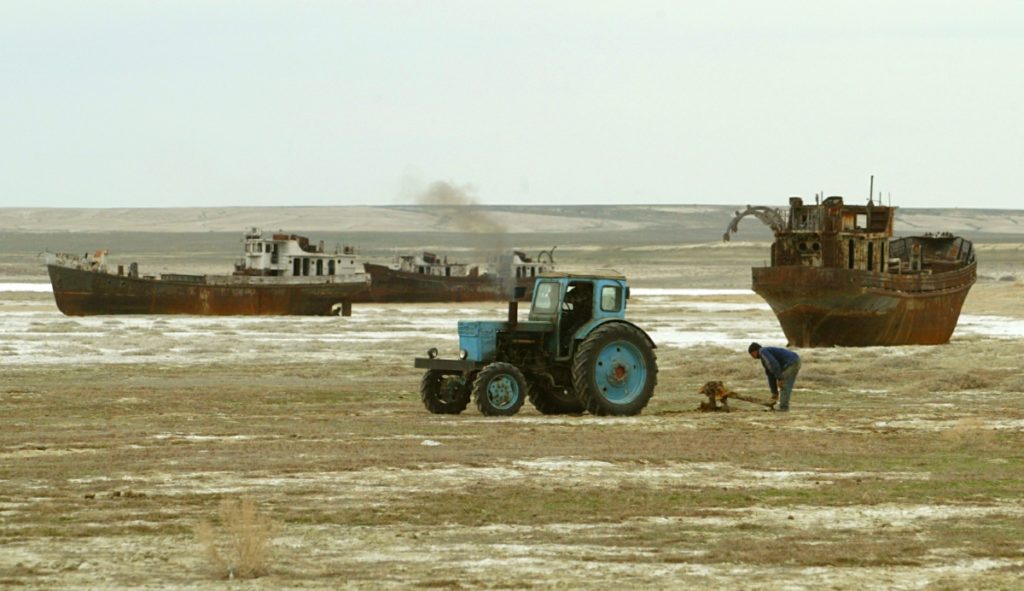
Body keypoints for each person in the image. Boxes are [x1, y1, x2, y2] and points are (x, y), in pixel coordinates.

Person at [748, 342, 801, 412]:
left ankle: (784, 408)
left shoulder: (762, 351)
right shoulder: (764, 357)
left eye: (752, 355)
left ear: (755, 351)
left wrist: (780, 378)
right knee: (784, 385)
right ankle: (784, 407)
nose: (752, 357)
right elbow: (770, 375)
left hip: (791, 362)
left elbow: (773, 364)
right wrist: (774, 392)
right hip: (794, 361)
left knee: (784, 385)